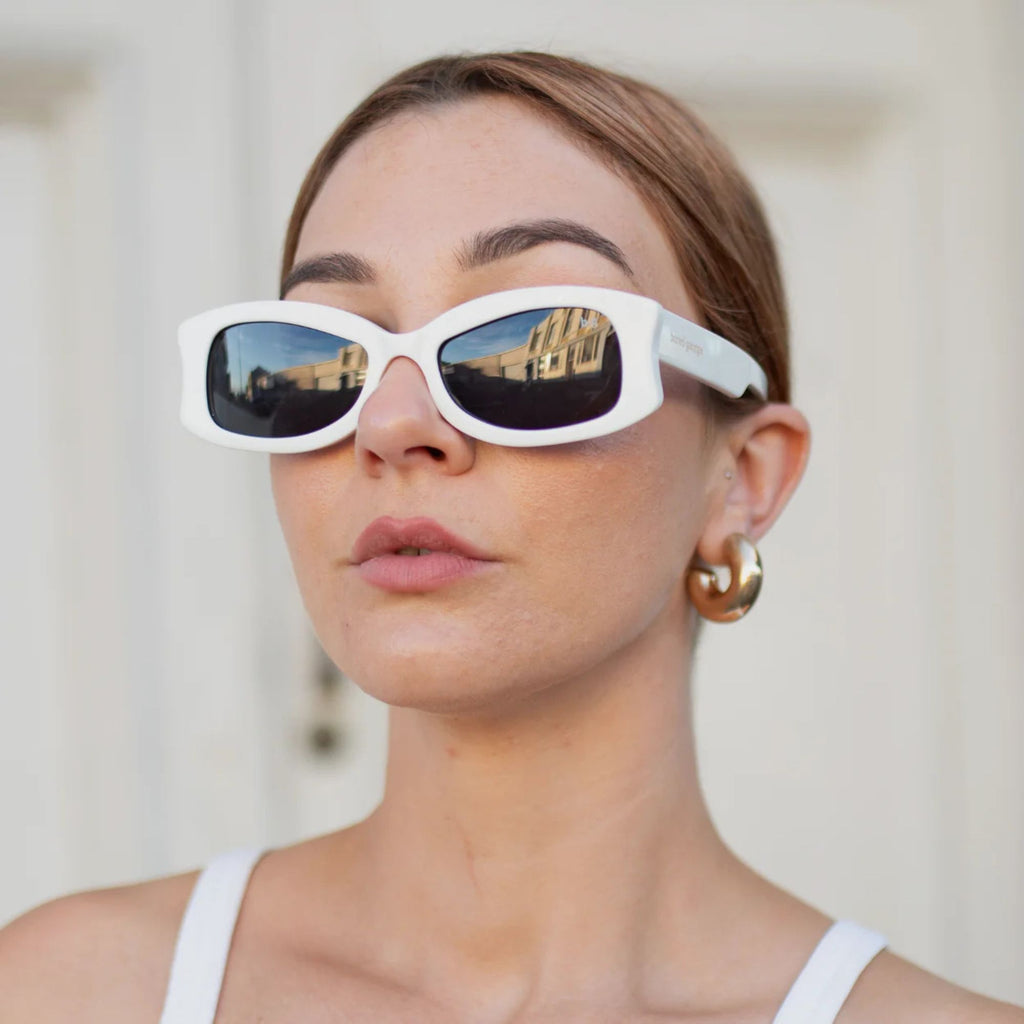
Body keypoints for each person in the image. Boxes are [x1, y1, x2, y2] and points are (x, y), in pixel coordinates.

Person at [1, 51, 1021, 1024]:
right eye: (317, 357)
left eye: (536, 345)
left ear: (741, 479)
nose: (392, 424)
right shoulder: (67, 992)